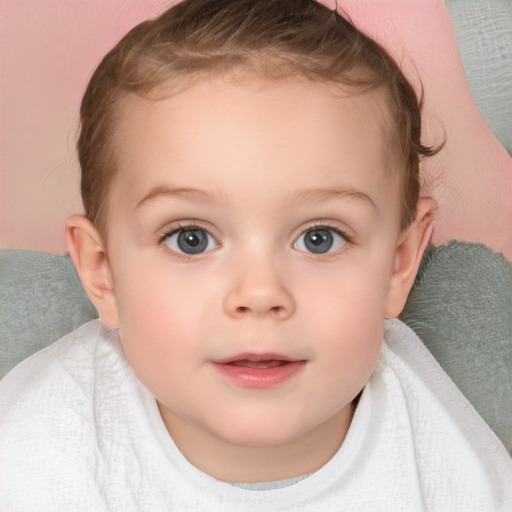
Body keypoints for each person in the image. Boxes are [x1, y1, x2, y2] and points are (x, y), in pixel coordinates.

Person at [0, 0, 510, 509]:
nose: (260, 293)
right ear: (103, 272)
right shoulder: (38, 450)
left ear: (399, 263)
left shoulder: (442, 455)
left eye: (320, 238)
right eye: (190, 239)